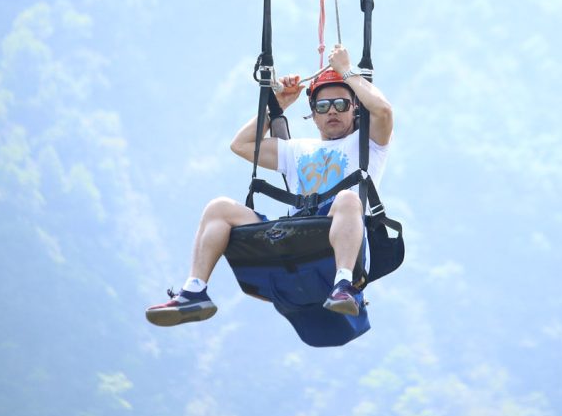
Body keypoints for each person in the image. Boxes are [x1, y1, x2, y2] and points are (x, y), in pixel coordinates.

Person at [146, 43, 393, 326]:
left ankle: (343, 284)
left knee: (348, 200)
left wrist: (347, 72)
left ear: (355, 110)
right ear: (313, 115)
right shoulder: (296, 149)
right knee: (219, 208)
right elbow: (242, 145)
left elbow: (383, 111)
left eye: (341, 104)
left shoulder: (368, 145)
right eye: (323, 107)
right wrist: (279, 103)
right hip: (299, 238)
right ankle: (194, 291)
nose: (332, 112)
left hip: (340, 241)